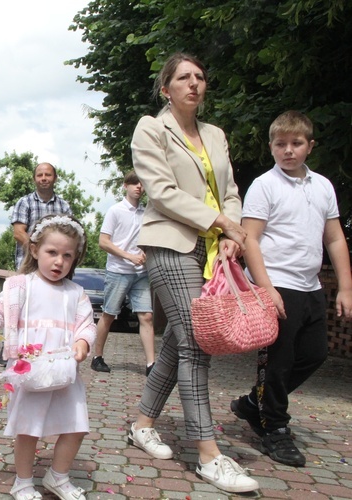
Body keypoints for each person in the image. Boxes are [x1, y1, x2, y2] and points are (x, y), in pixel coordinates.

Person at [127, 53, 258, 493]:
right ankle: (208, 454)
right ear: (167, 89)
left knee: (180, 339)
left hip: (212, 247)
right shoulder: (150, 127)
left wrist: (232, 234)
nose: (194, 83)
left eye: (200, 76)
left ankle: (143, 422)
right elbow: (161, 192)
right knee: (197, 343)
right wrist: (220, 222)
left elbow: (231, 192)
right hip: (169, 242)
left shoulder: (216, 135)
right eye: (183, 77)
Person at [231, 111, 352, 467]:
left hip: (311, 286)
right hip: (277, 284)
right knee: (278, 363)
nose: (288, 151)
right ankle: (274, 428)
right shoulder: (265, 185)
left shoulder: (323, 186)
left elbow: (334, 237)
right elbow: (250, 238)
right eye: (280, 144)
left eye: (296, 143)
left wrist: (345, 286)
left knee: (315, 355)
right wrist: (266, 288)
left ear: (309, 146)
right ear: (271, 146)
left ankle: (255, 403)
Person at [0, 214, 96, 500]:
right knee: (28, 430)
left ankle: (58, 476)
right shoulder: (20, 285)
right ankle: (24, 481)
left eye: (67, 256)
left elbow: (87, 324)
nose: (58, 262)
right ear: (34, 250)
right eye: (52, 252)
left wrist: (82, 341)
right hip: (30, 371)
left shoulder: (76, 293)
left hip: (65, 372)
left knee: (76, 426)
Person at [0, 162, 71, 367]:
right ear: (35, 179)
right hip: (27, 261)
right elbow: (18, 232)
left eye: (47, 174)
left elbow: (69, 234)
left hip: (54, 262)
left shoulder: (64, 206)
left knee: (50, 304)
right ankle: (9, 346)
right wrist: (38, 250)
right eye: (39, 175)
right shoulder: (25, 202)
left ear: (54, 178)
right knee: (19, 305)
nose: (43, 178)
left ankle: (47, 346)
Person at [90, 171, 155, 375]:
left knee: (146, 316)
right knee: (109, 315)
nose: (138, 187)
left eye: (141, 183)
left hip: (141, 273)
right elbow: (103, 242)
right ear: (125, 186)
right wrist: (129, 256)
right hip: (118, 271)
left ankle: (151, 364)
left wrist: (144, 252)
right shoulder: (115, 211)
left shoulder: (146, 212)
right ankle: (97, 357)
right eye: (134, 183)